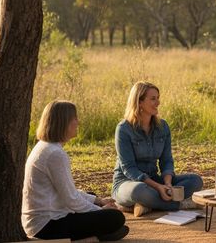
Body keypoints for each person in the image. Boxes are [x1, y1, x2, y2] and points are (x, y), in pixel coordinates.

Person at [22, 100, 128, 241]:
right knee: (115, 217)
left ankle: (97, 234)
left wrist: (98, 200)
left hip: (43, 220)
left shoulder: (45, 147)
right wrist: (102, 210)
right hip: (47, 226)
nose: (77, 122)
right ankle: (89, 237)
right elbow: (71, 199)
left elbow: (68, 192)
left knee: (91, 197)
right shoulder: (55, 154)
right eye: (74, 118)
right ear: (63, 122)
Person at [112, 81, 203, 217]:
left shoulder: (163, 126)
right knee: (139, 191)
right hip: (127, 183)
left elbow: (166, 161)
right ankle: (180, 204)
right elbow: (129, 169)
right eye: (153, 99)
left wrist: (167, 184)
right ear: (139, 102)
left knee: (195, 180)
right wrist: (158, 188)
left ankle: (147, 204)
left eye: (158, 98)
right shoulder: (124, 129)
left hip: (155, 180)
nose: (158, 102)